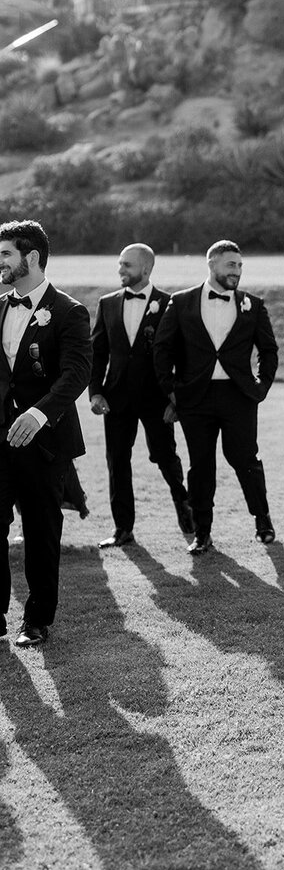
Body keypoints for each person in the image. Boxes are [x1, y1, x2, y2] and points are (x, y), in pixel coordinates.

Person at [153, 240, 279, 555]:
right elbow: (162, 348)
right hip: (195, 397)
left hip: (239, 396)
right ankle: (202, 533)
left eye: (239, 265)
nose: (236, 271)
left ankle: (262, 518)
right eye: (230, 265)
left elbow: (269, 351)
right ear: (212, 264)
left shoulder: (254, 304)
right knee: (201, 466)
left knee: (245, 458)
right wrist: (172, 390)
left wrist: (260, 387)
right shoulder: (181, 302)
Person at [0, 220, 91, 647]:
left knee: (40, 530)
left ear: (31, 257)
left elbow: (76, 374)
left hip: (44, 442)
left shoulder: (70, 311)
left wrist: (38, 415)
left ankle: (36, 619)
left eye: (5, 254)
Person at [89, 243, 193, 548]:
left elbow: (182, 356)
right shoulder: (107, 304)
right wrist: (95, 393)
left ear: (145, 269)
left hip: (157, 400)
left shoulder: (170, 304)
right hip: (116, 398)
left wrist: (176, 400)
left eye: (127, 265)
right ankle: (123, 529)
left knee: (165, 457)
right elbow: (98, 353)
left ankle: (184, 508)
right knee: (116, 462)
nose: (120, 270)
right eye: (120, 264)